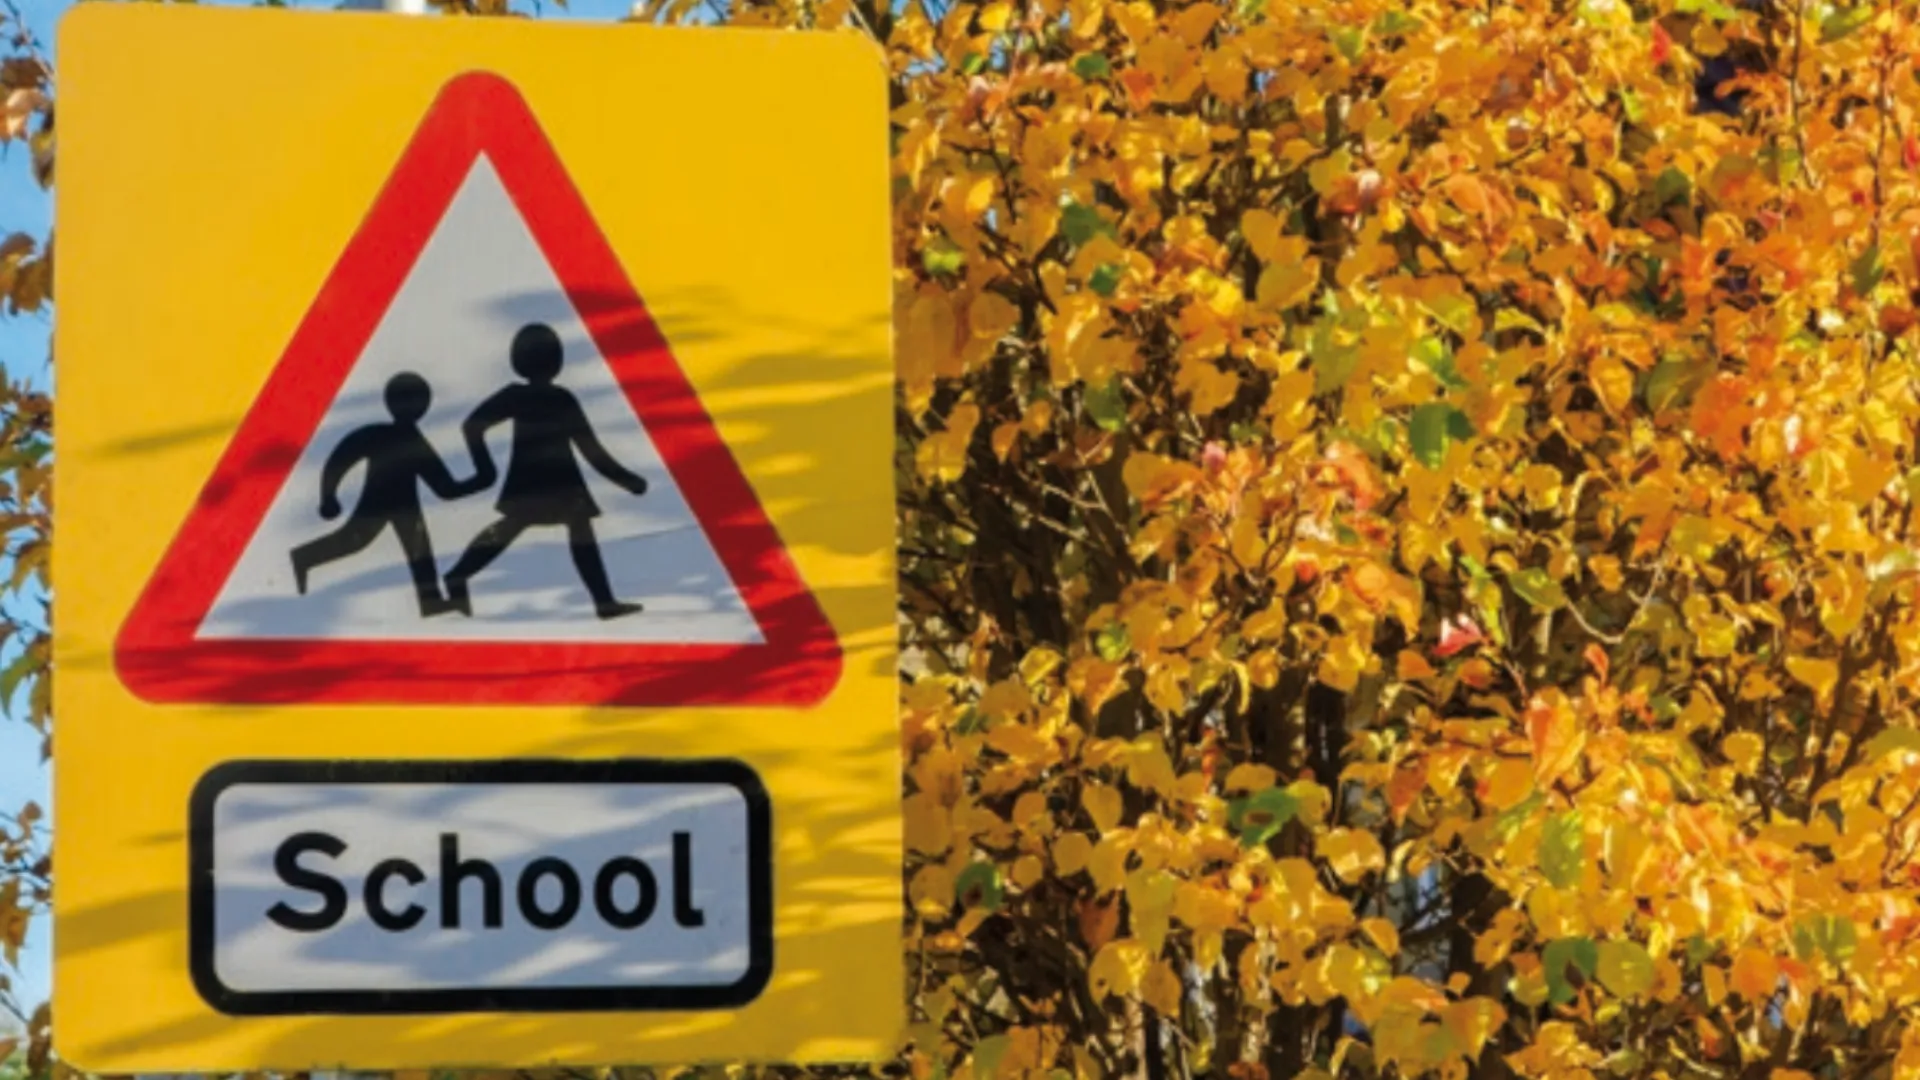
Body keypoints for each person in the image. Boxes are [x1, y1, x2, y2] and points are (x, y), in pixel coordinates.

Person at [443, 322, 650, 619]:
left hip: (541, 480)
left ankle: (603, 602)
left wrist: (484, 467)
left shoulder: (525, 396)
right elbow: (591, 450)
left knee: (532, 526)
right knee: (541, 526)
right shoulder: (558, 398)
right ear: (557, 361)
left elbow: (472, 426)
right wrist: (627, 481)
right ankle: (458, 575)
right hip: (552, 481)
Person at [290, 371, 476, 617]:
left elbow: (444, 487)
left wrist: (479, 482)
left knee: (419, 552)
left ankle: (430, 601)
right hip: (379, 503)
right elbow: (343, 457)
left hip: (405, 506)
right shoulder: (395, 437)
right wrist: (328, 495)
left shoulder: (401, 437)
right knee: (354, 541)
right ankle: (303, 557)